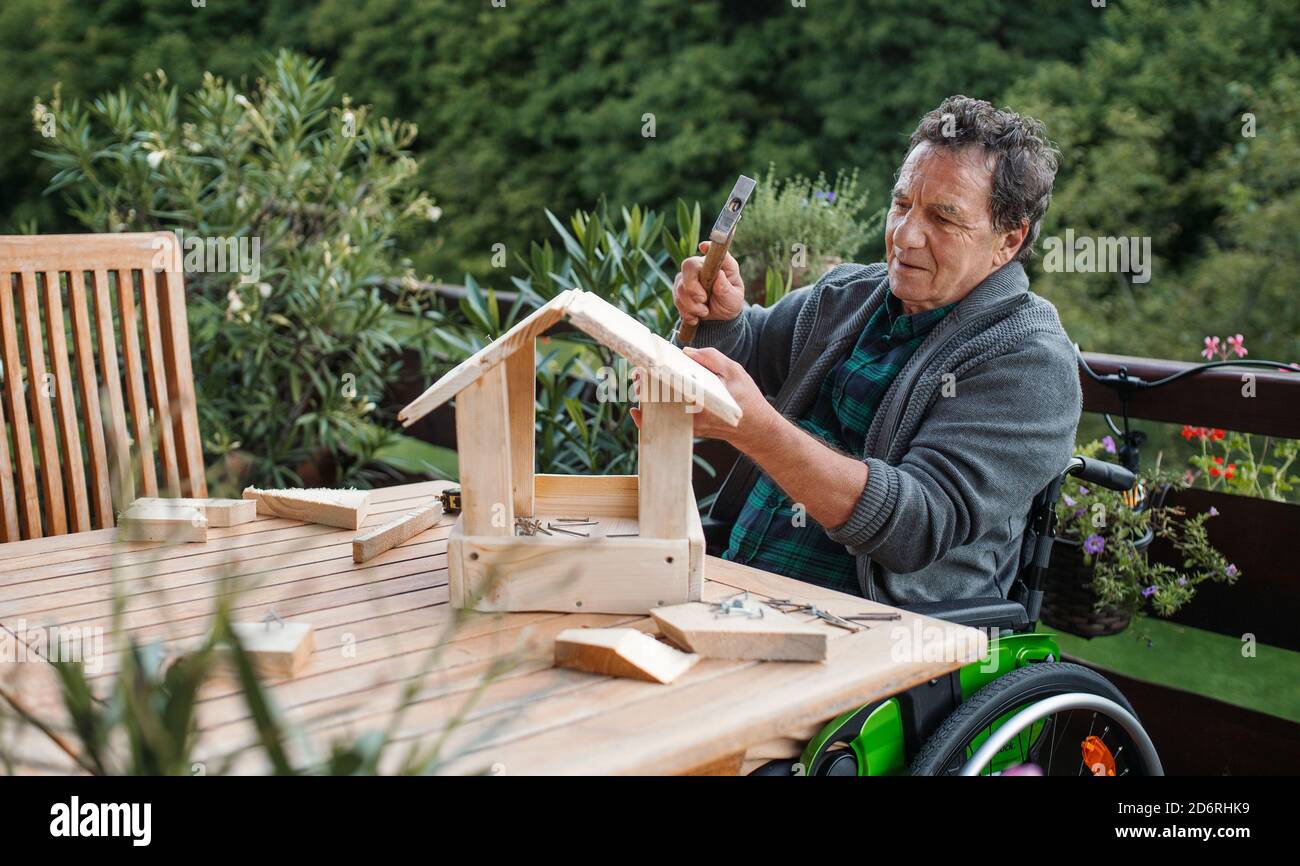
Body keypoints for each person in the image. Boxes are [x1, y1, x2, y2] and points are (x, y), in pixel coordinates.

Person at [651, 95, 1081, 605]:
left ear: (1008, 241)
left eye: (943, 219)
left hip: (879, 629)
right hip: (735, 585)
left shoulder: (1031, 362)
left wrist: (759, 431)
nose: (905, 235)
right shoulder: (849, 294)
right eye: (902, 205)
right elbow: (753, 355)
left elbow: (916, 527)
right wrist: (723, 320)